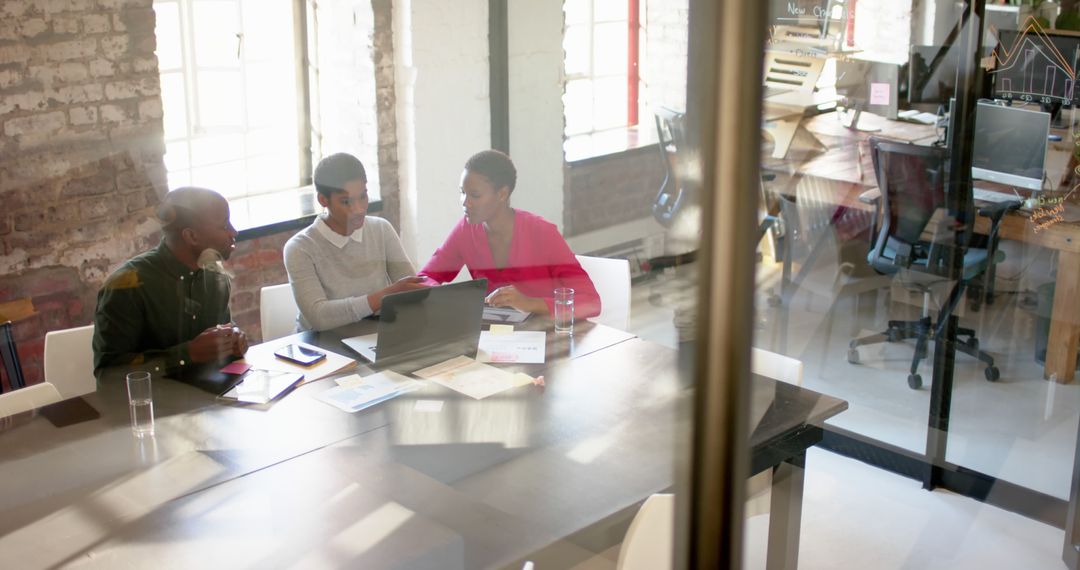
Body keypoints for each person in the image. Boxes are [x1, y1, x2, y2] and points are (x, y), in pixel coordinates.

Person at [419, 149, 600, 318]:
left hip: (548, 338)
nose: (465, 203)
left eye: (474, 195)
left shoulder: (542, 233)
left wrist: (531, 303)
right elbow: (425, 279)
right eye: (462, 193)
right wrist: (451, 298)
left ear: (502, 194)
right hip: (496, 339)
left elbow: (592, 302)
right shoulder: (465, 231)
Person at [93, 187, 247, 375]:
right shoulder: (127, 287)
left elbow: (220, 353)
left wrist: (233, 341)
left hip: (213, 398)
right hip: (154, 403)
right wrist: (186, 355)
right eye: (224, 226)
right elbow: (108, 375)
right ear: (192, 236)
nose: (234, 232)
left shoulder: (216, 278)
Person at [284, 153, 426, 332]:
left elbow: (409, 291)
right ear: (323, 200)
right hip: (322, 345)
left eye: (363, 196)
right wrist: (385, 296)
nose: (358, 209)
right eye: (346, 201)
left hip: (375, 335)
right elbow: (319, 317)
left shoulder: (381, 229)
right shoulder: (299, 248)